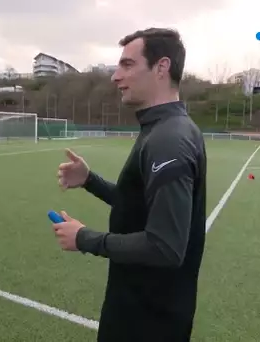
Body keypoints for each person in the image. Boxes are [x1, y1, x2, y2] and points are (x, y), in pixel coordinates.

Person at [54, 28, 207, 342]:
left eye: (127, 64)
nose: (115, 76)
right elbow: (141, 205)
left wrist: (85, 238)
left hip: (148, 320)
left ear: (161, 67)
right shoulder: (165, 128)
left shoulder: (169, 139)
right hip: (145, 307)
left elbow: (165, 246)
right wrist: (90, 181)